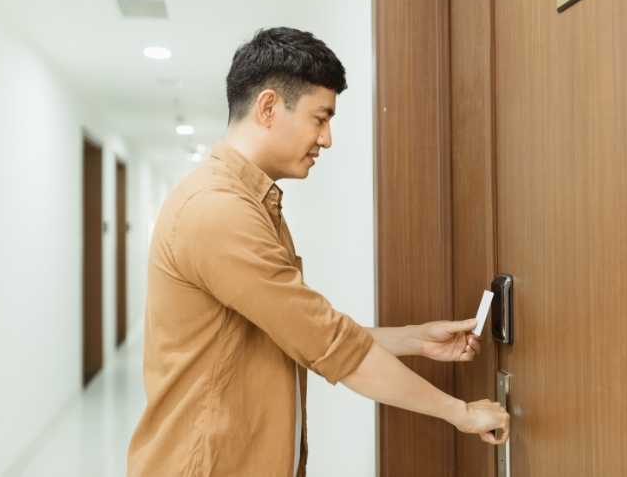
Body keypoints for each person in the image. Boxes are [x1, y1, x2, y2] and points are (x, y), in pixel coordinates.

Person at [127, 27, 509, 477]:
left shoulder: (251, 202)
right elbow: (327, 345)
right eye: (320, 118)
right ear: (268, 107)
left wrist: (415, 339)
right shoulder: (217, 211)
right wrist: (461, 413)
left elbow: (302, 330)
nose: (326, 139)